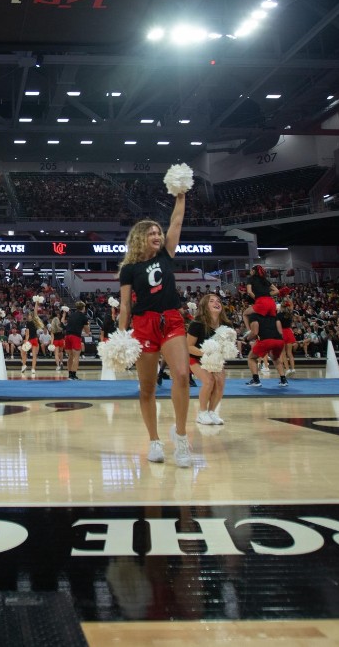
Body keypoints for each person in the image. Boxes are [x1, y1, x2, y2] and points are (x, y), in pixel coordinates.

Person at [117, 188, 193, 468]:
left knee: (182, 376)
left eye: (158, 233)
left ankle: (182, 438)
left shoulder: (166, 254)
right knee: (147, 387)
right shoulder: (129, 269)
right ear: (140, 238)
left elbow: (177, 222)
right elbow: (125, 306)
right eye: (152, 234)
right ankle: (154, 440)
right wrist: (122, 337)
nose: (158, 236)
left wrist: (181, 196)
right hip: (143, 324)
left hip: (171, 319)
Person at [186, 292, 228, 425]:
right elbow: (188, 347)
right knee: (209, 381)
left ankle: (212, 412)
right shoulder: (197, 324)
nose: (216, 303)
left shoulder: (226, 325)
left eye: (218, 301)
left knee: (220, 383)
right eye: (212, 301)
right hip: (196, 357)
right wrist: (207, 353)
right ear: (205, 306)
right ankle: (202, 413)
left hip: (215, 359)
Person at [63, 300, 89, 381]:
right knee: (76, 357)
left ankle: (70, 374)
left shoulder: (71, 315)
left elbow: (66, 323)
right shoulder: (84, 317)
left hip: (67, 336)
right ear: (83, 308)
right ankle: (73, 375)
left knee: (70, 356)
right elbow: (87, 331)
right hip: (75, 336)